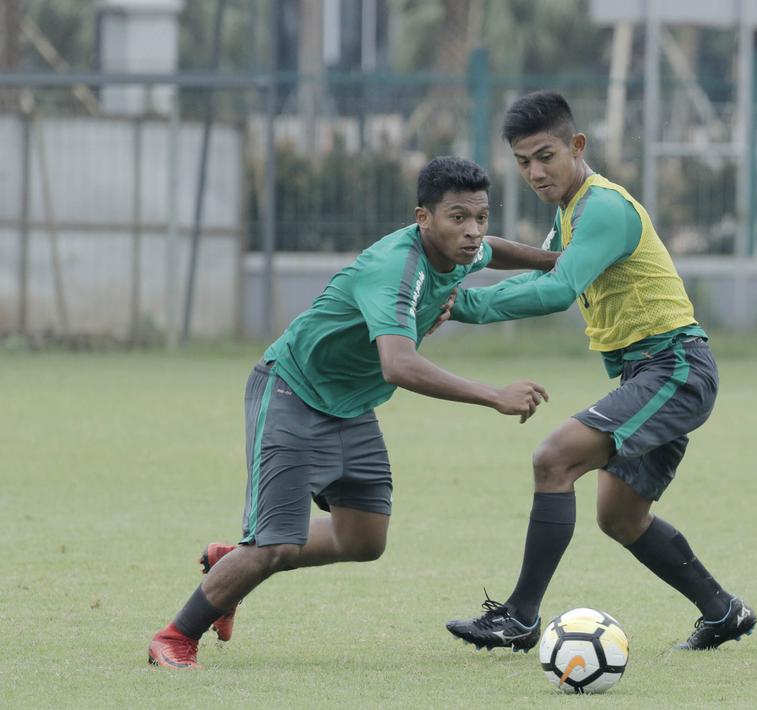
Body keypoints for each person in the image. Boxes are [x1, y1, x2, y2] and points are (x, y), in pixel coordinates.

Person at [147, 156, 559, 668]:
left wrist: (555, 261)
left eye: (480, 216)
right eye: (458, 217)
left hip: (350, 405)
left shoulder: (462, 249)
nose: (473, 231)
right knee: (273, 545)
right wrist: (494, 394)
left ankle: (232, 565)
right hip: (292, 392)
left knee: (364, 537)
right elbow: (398, 364)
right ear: (423, 218)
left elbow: (494, 249)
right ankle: (175, 637)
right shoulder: (396, 268)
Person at [442, 91, 756, 652]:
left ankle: (519, 617)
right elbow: (544, 272)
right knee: (621, 517)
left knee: (553, 459)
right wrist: (464, 290)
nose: (536, 173)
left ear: (577, 146)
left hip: (675, 368)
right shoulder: (572, 212)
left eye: (545, 157)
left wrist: (464, 305)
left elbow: (558, 289)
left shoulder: (604, 208)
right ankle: (724, 612)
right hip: (648, 374)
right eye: (523, 162)